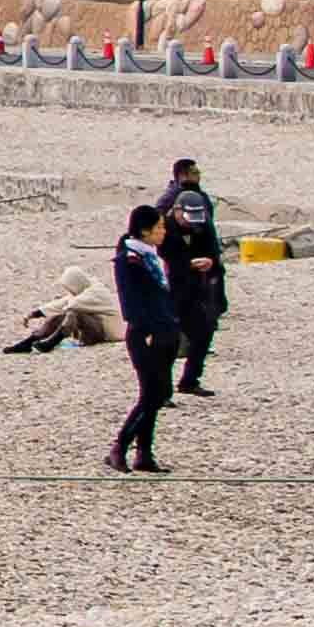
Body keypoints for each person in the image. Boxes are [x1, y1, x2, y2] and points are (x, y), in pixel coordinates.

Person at [104, 199, 186, 472]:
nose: (164, 232)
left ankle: (144, 453)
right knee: (154, 392)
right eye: (159, 227)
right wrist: (149, 329)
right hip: (146, 333)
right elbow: (133, 302)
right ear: (144, 231)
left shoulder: (150, 257)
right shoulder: (130, 261)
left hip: (164, 331)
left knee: (155, 393)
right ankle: (120, 446)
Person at [157, 163, 232, 405]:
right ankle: (161, 391)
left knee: (204, 332)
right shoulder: (164, 228)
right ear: (176, 211)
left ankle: (190, 381)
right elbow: (167, 256)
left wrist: (210, 262)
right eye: (187, 219)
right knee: (169, 341)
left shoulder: (203, 222)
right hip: (173, 288)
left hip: (199, 287)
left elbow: (213, 249)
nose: (192, 224)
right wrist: (190, 264)